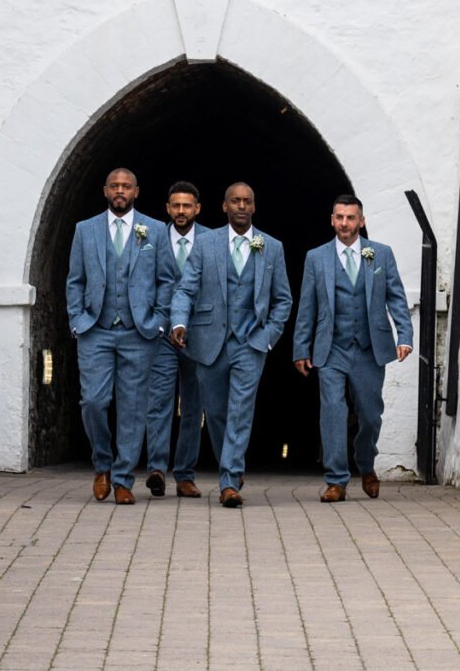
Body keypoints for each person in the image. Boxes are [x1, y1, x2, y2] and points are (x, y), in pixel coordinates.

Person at [170, 182, 292, 507]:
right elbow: (185, 289)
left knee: (240, 409)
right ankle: (232, 467)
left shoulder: (272, 247)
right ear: (224, 207)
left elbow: (283, 300)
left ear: (254, 207)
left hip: (250, 343)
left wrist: (267, 338)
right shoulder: (206, 244)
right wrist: (179, 322)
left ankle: (228, 480)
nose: (241, 206)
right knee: (217, 412)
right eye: (235, 201)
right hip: (209, 340)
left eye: (246, 201)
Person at [293, 195, 412, 503]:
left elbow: (396, 298)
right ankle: (336, 480)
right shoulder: (316, 258)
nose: (345, 223)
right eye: (339, 217)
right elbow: (307, 305)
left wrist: (404, 336)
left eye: (350, 217)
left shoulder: (381, 255)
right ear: (332, 220)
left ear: (362, 221)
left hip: (369, 348)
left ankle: (366, 464)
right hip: (330, 348)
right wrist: (300, 348)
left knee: (371, 415)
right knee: (332, 411)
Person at [66, 168, 174, 505]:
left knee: (133, 407)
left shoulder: (155, 230)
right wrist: (77, 320)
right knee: (94, 402)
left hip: (138, 332)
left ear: (136, 192)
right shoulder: (85, 230)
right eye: (114, 185)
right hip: (95, 330)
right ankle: (103, 464)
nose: (120, 191)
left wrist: (158, 322)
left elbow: (167, 280)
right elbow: (75, 281)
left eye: (126, 186)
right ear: (105, 190)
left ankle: (124, 479)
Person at [145, 182, 209, 499]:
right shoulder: (152, 237)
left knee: (193, 408)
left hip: (198, 335)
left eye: (187, 206)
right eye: (175, 206)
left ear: (197, 208)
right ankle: (157, 468)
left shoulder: (212, 240)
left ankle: (184, 474)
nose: (181, 211)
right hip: (161, 335)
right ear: (168, 208)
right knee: (159, 402)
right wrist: (152, 322)